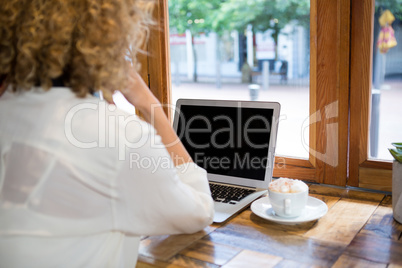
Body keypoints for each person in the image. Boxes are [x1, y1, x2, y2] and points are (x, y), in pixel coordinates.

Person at [0, 0, 214, 267]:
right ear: (109, 32)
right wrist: (152, 108)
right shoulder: (119, 137)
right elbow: (199, 212)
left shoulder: (9, 108)